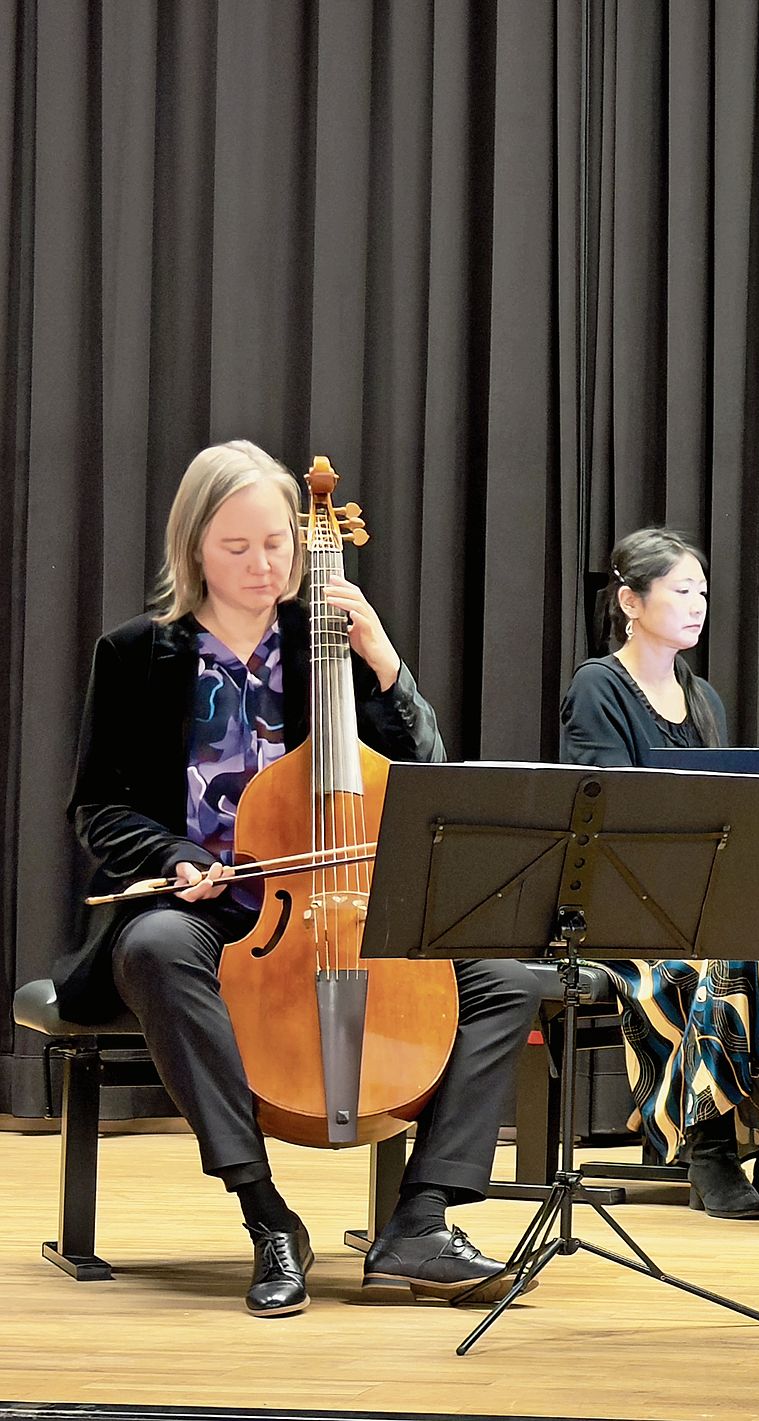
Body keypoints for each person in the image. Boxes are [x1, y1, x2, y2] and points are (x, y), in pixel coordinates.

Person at [55, 441, 542, 1317]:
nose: (261, 563)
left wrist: (386, 662)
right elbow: (98, 809)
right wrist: (176, 857)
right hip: (220, 905)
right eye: (237, 546)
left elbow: (421, 767)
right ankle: (268, 1216)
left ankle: (421, 1219)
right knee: (158, 946)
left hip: (348, 897)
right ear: (194, 546)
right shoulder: (137, 654)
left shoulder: (329, 639)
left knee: (504, 973)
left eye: (277, 543)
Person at [558, 527, 759, 1219]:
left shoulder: (705, 698)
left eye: (704, 592)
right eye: (681, 590)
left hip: (696, 897)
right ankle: (711, 1145)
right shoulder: (598, 686)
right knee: (722, 955)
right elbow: (605, 813)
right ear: (631, 600)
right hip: (620, 901)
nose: (697, 604)